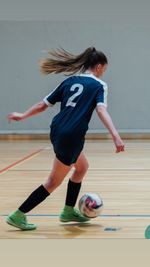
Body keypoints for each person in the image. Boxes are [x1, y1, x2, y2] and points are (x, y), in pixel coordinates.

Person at [6, 47, 124, 230]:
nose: (103, 73)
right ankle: (18, 215)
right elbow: (101, 110)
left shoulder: (70, 81)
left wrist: (23, 115)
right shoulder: (99, 85)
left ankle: (68, 211)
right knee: (54, 181)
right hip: (72, 135)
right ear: (99, 67)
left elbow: (42, 105)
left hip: (57, 130)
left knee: (81, 168)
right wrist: (116, 136)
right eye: (104, 69)